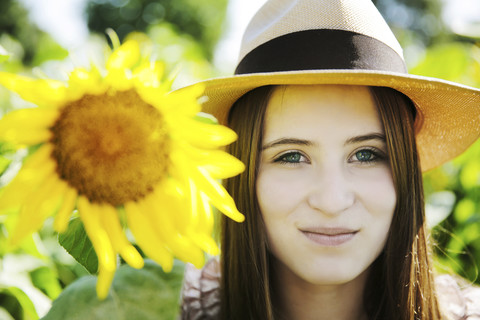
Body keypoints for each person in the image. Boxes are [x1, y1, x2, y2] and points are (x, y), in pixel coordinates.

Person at [179, 0, 480, 319]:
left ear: (404, 168)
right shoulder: (155, 306)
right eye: (292, 156)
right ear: (243, 171)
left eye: (366, 155)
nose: (332, 201)